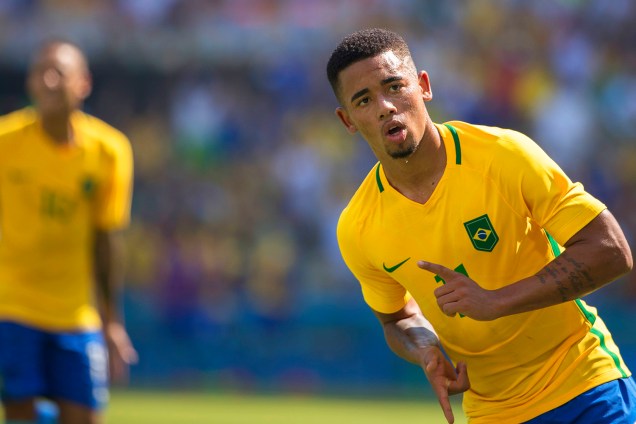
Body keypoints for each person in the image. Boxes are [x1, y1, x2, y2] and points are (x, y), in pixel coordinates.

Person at [327, 28, 635, 423]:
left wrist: (496, 301)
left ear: (423, 86)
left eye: (393, 86)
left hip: (587, 387)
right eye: (364, 100)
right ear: (347, 120)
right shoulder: (358, 226)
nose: (385, 106)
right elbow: (397, 318)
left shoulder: (503, 155)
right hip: (492, 412)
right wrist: (426, 350)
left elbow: (611, 250)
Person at [0, 40, 138, 424]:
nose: (47, 80)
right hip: (12, 309)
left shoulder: (110, 150)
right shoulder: (4, 143)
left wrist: (112, 322)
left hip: (76, 315)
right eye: (39, 72)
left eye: (58, 72)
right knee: (21, 416)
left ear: (83, 83)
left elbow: (106, 240)